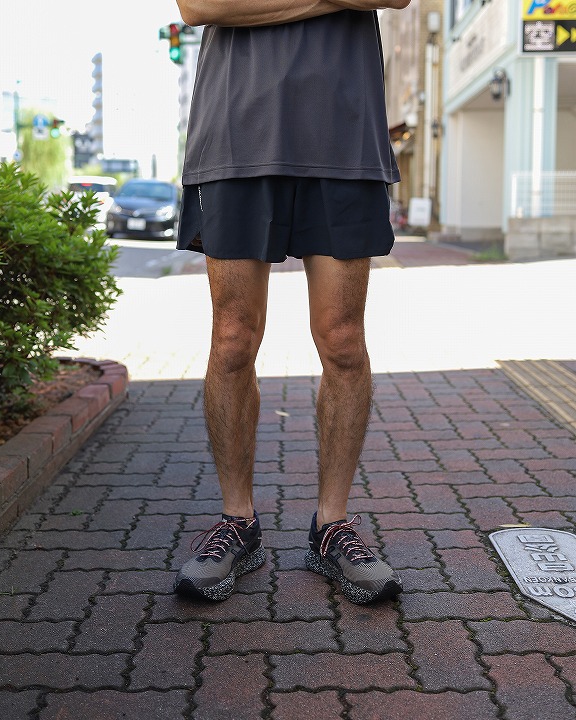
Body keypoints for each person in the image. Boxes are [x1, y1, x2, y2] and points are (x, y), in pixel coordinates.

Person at [173, 0, 410, 605]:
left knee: (343, 341)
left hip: (345, 141)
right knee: (232, 338)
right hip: (234, 138)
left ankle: (332, 526)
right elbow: (200, 6)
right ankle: (238, 522)